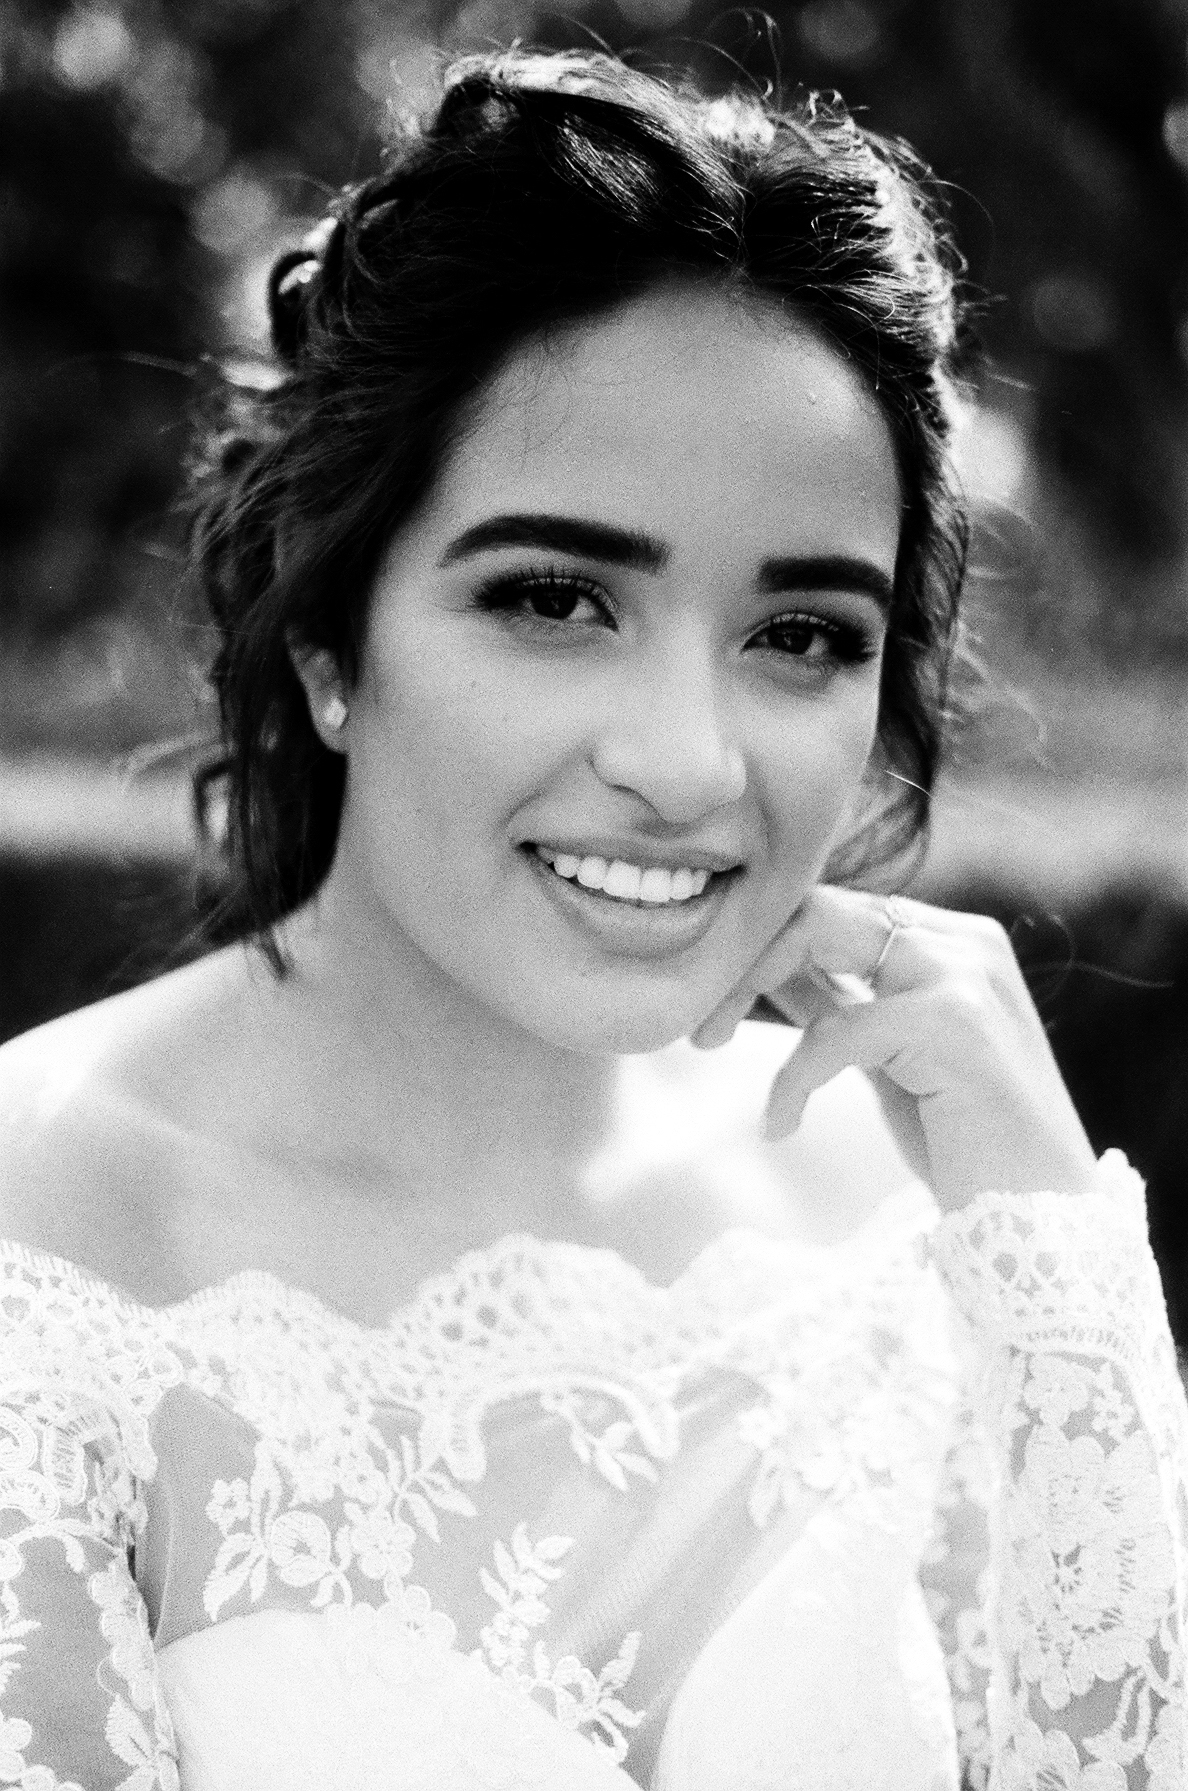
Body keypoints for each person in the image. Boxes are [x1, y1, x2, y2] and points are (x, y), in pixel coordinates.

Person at [0, 47, 1183, 1791]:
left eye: (803, 636)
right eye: (556, 599)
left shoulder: (917, 1211)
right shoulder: (45, 1238)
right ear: (328, 637)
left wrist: (1049, 1271)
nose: (690, 764)